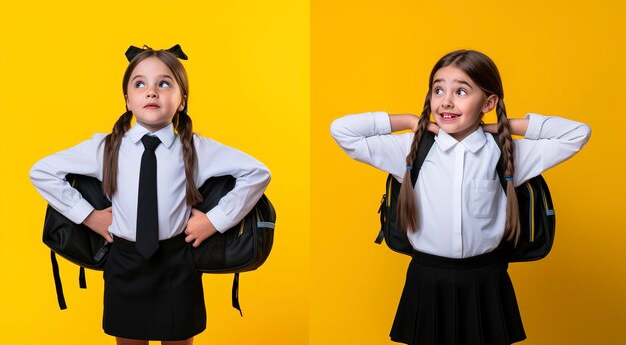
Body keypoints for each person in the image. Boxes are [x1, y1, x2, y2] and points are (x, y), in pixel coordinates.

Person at [330, 50, 591, 345]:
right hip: (426, 279)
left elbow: (577, 134)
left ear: (489, 102)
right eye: (438, 89)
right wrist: (407, 120)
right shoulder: (412, 149)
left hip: (486, 280)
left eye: (461, 91)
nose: (446, 101)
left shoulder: (506, 152)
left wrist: (501, 128)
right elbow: (342, 131)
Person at [30, 45, 271, 345]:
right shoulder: (106, 147)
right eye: (140, 83)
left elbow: (258, 173)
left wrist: (213, 221)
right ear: (128, 100)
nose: (152, 92)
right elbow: (41, 172)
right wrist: (88, 217)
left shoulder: (197, 149)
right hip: (125, 264)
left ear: (182, 100)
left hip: (177, 264)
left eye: (164, 83)